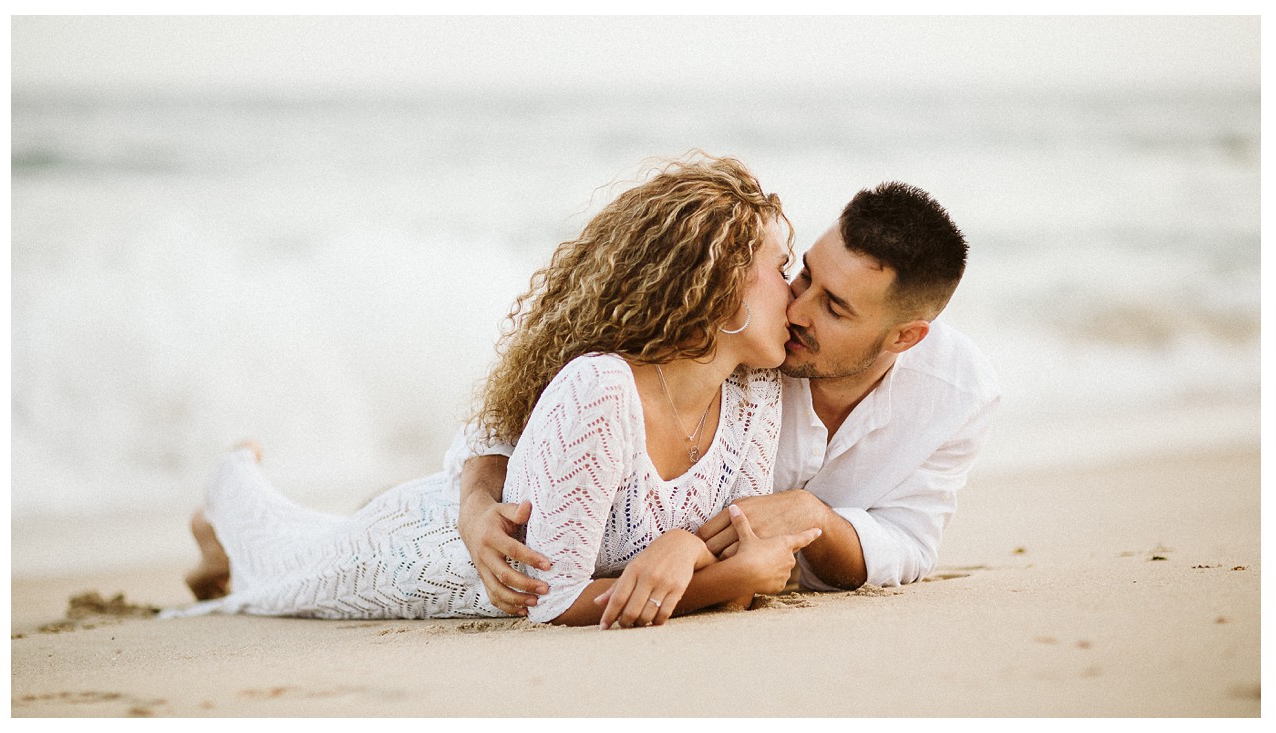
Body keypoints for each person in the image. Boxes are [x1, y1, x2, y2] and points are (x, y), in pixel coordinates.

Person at [165, 153, 823, 629]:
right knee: (287, 561)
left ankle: (224, 532)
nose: (793, 290)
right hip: (425, 552)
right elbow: (549, 598)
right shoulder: (602, 390)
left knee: (285, 548)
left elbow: (728, 538)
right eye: (779, 267)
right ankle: (227, 495)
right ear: (715, 284)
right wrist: (725, 579)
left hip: (490, 537)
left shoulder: (754, 396)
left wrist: (689, 551)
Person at [459, 181, 1000, 615]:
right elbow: (523, 417)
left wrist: (807, 519)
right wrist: (476, 504)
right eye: (803, 274)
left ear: (905, 337)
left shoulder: (958, 394)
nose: (798, 309)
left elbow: (909, 543)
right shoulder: (747, 344)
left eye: (834, 308)